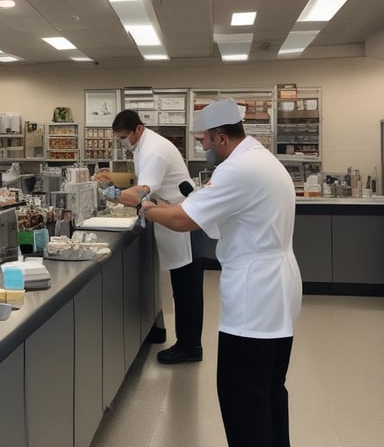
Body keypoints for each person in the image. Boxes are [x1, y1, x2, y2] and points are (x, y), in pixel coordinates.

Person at [139, 98, 302, 447]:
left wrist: (145, 207)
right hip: (278, 287)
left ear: (222, 138)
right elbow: (211, 216)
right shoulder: (260, 158)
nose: (203, 147)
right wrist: (171, 207)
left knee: (241, 395)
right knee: (269, 389)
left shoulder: (236, 170)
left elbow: (184, 221)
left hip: (254, 294)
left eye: (205, 141)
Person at [100, 109, 203, 364]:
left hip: (183, 222)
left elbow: (140, 195)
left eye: (124, 136)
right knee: (182, 288)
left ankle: (190, 346)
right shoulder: (144, 145)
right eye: (118, 138)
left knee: (187, 289)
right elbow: (143, 184)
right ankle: (185, 342)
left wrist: (109, 192)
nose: (122, 141)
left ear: (138, 129)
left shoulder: (153, 149)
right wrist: (114, 183)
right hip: (174, 217)